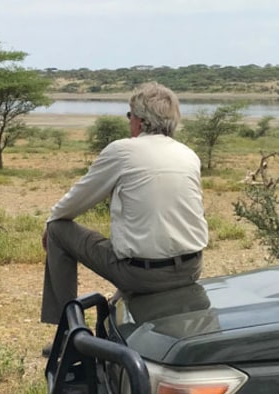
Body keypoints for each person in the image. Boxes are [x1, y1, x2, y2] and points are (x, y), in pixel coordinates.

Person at [40, 82, 208, 325]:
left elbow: (75, 201)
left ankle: (68, 329)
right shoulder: (189, 154)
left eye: (130, 116)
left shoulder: (122, 151)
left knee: (57, 228)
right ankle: (119, 306)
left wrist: (51, 219)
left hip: (141, 275)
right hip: (191, 269)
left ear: (139, 121)